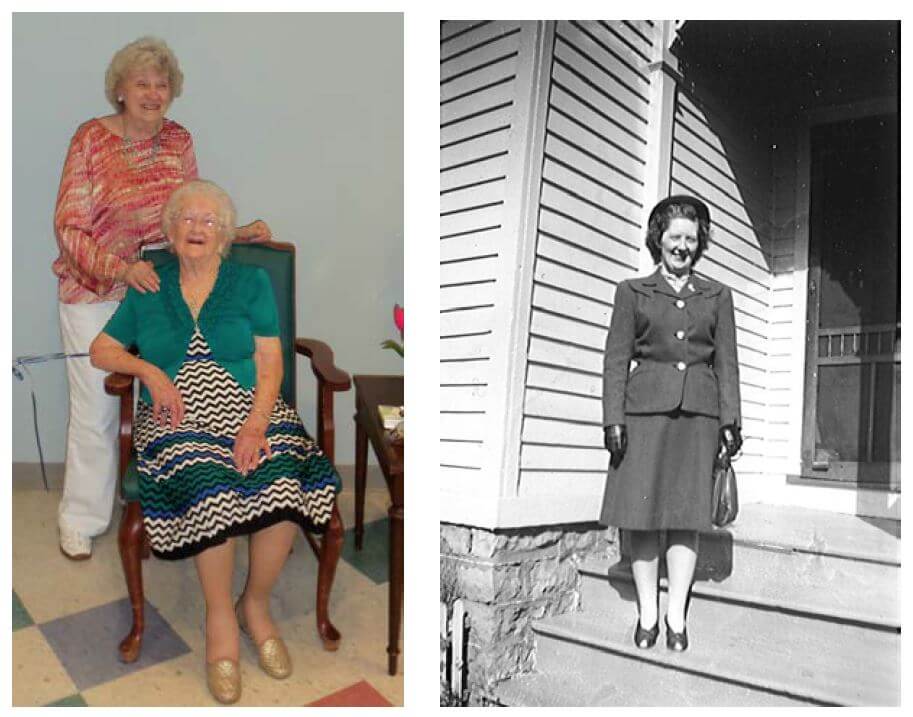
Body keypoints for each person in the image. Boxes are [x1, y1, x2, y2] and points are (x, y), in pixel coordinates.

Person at [89, 179, 340, 703]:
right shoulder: (150, 285)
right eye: (186, 219)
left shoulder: (249, 283)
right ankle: (221, 619)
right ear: (169, 229)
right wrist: (150, 374)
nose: (196, 229)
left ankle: (255, 605)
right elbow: (101, 349)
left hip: (248, 405)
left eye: (209, 222)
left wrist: (254, 425)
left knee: (284, 474)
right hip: (177, 413)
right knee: (212, 484)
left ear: (225, 235)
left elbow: (270, 362)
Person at [53, 36, 271, 561]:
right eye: (142, 83)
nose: (153, 93)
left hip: (163, 293)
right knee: (98, 411)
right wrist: (120, 268)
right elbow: (69, 226)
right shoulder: (90, 140)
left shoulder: (178, 139)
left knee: (173, 400)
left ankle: (168, 510)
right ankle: (81, 518)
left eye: (162, 84)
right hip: (95, 291)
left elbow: (189, 213)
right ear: (121, 91)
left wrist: (235, 231)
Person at [599, 195, 743, 652]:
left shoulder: (717, 296)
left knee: (686, 519)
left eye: (690, 237)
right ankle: (647, 613)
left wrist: (730, 420)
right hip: (642, 419)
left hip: (698, 419)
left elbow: (728, 364)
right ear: (657, 240)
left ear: (700, 242)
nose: (682, 245)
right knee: (640, 520)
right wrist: (612, 420)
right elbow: (616, 360)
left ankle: (676, 615)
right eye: (673, 236)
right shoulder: (632, 291)